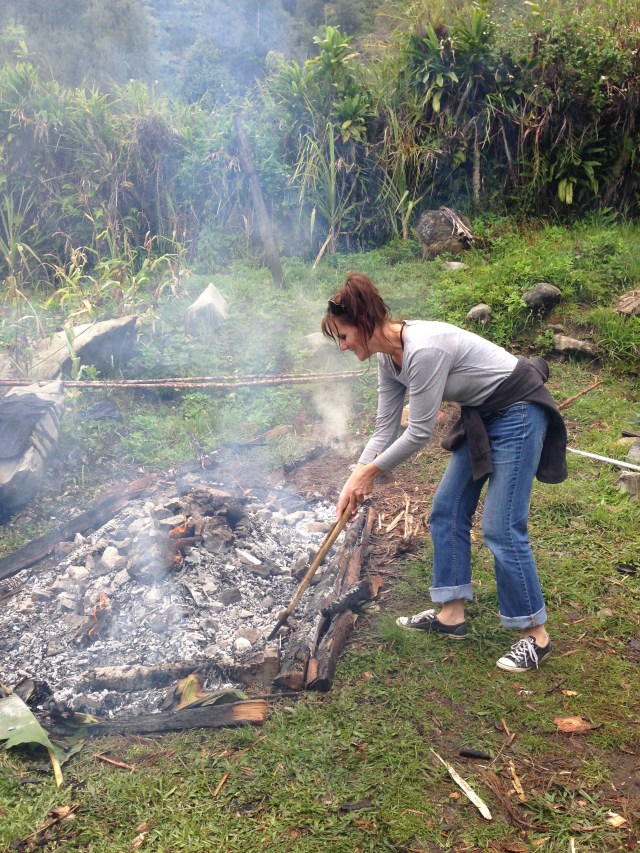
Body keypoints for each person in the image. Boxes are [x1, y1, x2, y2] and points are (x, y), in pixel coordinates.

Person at [322, 272, 567, 673]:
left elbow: (418, 433)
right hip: (483, 414)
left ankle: (535, 636)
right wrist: (356, 477)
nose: (344, 346)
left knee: (501, 526)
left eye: (344, 336)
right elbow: (385, 428)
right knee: (447, 510)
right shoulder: (387, 358)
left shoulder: (424, 349)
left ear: (364, 323)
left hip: (519, 410)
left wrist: (369, 474)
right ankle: (451, 616)